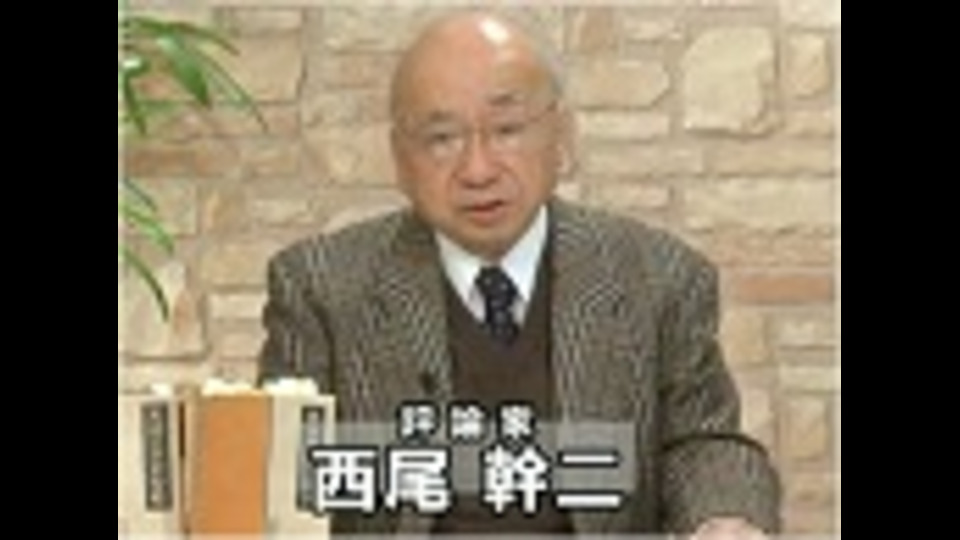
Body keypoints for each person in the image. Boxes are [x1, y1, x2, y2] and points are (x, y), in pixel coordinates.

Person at [259, 10, 781, 538]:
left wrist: (724, 517)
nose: (478, 170)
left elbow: (703, 442)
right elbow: (281, 480)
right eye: (441, 138)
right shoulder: (320, 288)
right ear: (399, 158)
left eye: (507, 130)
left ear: (562, 134)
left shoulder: (661, 277)